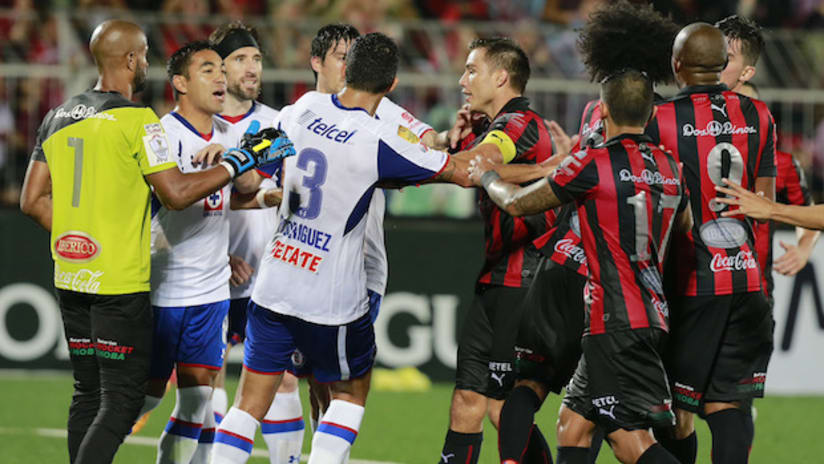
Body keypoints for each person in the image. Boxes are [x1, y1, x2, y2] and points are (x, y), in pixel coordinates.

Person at [18, 20, 289, 464]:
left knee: (94, 395)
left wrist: (83, 240)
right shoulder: (143, 123)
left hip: (77, 276)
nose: (146, 63)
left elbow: (32, 200)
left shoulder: (58, 114)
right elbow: (177, 194)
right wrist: (239, 159)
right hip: (128, 286)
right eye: (143, 55)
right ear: (130, 60)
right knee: (124, 402)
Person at [211, 32, 481, 464]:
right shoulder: (376, 138)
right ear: (391, 85)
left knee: (246, 407)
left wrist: (233, 167)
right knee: (349, 395)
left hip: (275, 283)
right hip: (333, 295)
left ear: (347, 71)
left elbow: (250, 173)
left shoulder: (300, 110)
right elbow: (462, 173)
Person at [473, 67, 691, 464]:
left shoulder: (594, 162)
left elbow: (519, 204)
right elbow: (685, 227)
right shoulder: (672, 167)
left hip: (614, 318)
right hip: (645, 312)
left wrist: (487, 177)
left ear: (603, 110)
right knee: (572, 426)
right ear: (653, 114)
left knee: (630, 441)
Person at [644, 23, 777, 464]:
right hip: (746, 280)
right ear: (723, 66)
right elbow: (765, 203)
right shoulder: (758, 115)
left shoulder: (659, 119)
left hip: (690, 284)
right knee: (727, 406)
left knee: (675, 411)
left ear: (676, 65)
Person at [436, 36, 557, 464]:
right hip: (496, 279)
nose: (462, 79)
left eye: (472, 70)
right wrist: (455, 143)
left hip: (524, 284)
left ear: (501, 77)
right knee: (470, 399)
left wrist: (464, 154)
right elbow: (475, 158)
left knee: (503, 405)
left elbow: (480, 162)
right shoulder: (495, 125)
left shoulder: (518, 123)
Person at [206, 22, 306, 464]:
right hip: (206, 276)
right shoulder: (197, 124)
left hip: (267, 277)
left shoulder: (278, 123)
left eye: (257, 59)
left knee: (281, 380)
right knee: (204, 386)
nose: (252, 68)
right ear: (217, 68)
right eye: (241, 59)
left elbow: (280, 195)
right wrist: (217, 253)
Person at [715, 15, 821, 303]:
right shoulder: (693, 145)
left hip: (754, 294)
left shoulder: (781, 163)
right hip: (696, 290)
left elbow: (810, 212)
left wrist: (803, 246)